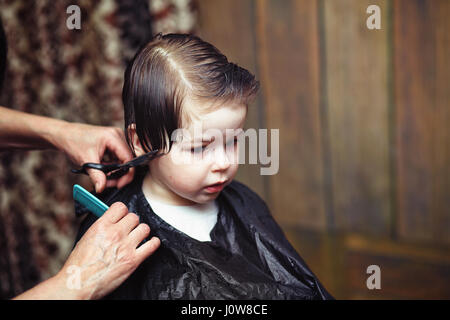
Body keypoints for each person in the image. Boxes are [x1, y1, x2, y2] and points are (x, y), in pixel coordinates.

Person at [75, 33, 333, 299]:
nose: (224, 163)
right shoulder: (115, 230)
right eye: (200, 148)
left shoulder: (246, 205)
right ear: (141, 141)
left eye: (233, 141)